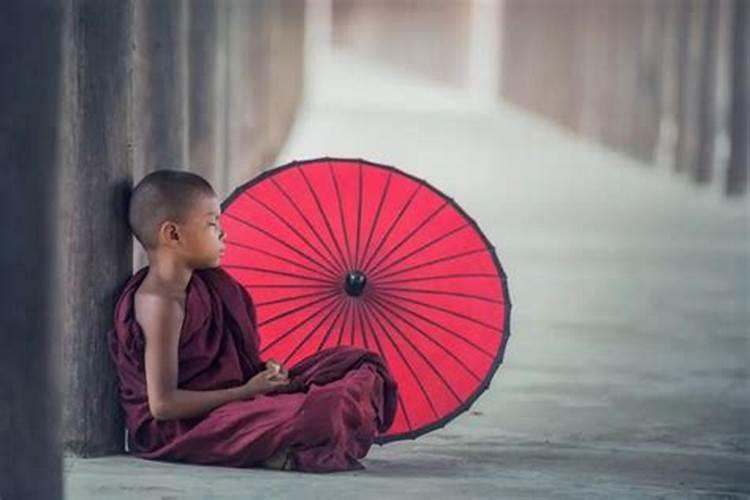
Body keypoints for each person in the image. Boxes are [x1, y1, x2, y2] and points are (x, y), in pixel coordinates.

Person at [109, 169, 398, 473]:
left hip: (230, 403)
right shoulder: (160, 304)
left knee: (359, 363)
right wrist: (247, 391)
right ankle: (267, 445)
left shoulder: (206, 285)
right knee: (326, 409)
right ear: (173, 234)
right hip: (184, 428)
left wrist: (264, 374)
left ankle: (270, 443)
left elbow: (230, 367)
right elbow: (163, 406)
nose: (223, 234)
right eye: (212, 224)